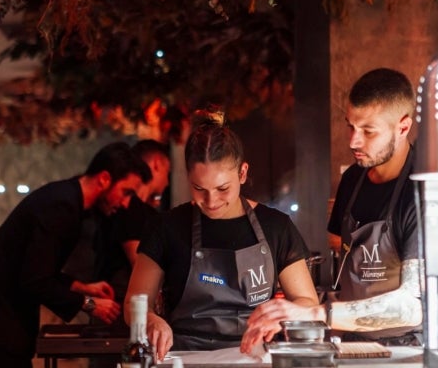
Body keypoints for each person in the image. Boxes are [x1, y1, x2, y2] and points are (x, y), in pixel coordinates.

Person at [240, 68, 438, 353]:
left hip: (413, 350)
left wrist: (317, 312)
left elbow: (415, 305)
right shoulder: (353, 180)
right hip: (353, 346)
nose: (353, 142)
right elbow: (340, 247)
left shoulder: (429, 195)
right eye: (351, 126)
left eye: (368, 131)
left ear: (403, 127)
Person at [125, 109, 319, 361]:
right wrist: (150, 320)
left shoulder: (276, 227)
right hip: (185, 356)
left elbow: (308, 303)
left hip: (254, 356)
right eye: (199, 188)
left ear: (242, 173)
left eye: (222, 188)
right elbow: (134, 301)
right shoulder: (166, 227)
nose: (211, 200)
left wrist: (282, 314)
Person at [0, 142, 152, 368]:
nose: (126, 203)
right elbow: (35, 280)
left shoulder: (67, 199)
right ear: (104, 179)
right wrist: (90, 304)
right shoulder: (62, 206)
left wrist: (83, 287)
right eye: (126, 192)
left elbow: (39, 270)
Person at [93, 139, 172, 303]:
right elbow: (139, 263)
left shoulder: (138, 208)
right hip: (122, 300)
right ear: (157, 164)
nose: (167, 181)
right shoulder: (131, 208)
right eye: (168, 172)